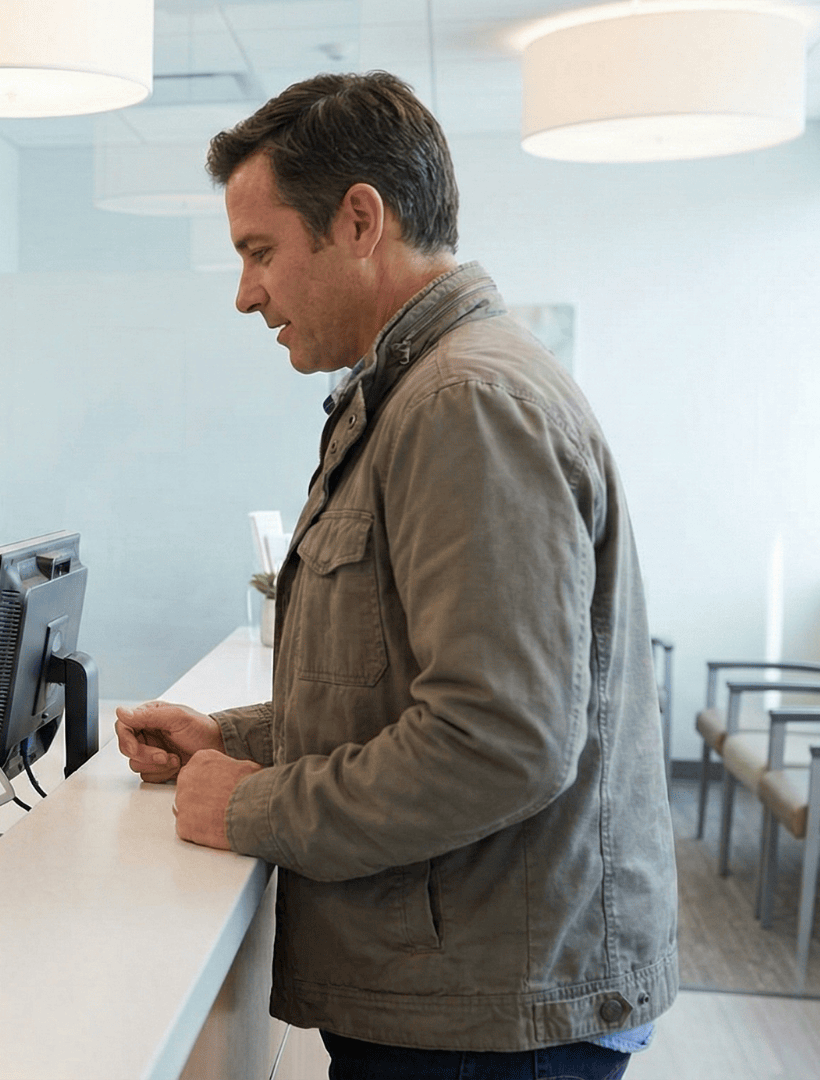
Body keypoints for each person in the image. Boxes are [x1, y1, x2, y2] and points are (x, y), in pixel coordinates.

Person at [115, 73, 676, 1079]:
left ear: (360, 222)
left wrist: (249, 806)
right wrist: (234, 740)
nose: (246, 293)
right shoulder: (421, 390)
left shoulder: (464, 403)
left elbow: (498, 743)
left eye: (260, 252)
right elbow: (401, 689)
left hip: (488, 1024)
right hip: (470, 996)